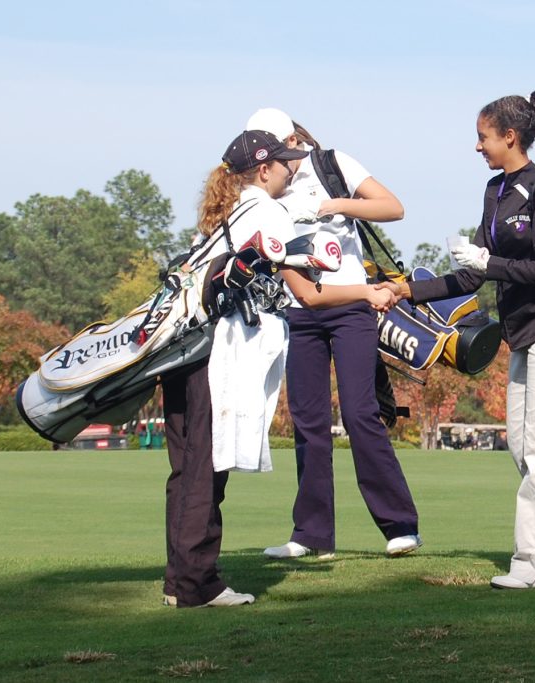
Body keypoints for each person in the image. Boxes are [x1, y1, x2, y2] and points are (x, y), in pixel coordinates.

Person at [379, 91, 535, 590]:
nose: (478, 147)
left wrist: (490, 263)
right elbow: (470, 278)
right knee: (523, 447)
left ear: (509, 137)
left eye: (483, 137)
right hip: (522, 336)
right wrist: (405, 291)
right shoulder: (496, 193)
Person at [162, 129, 396, 609]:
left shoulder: (222, 212)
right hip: (214, 354)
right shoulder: (267, 213)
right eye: (285, 163)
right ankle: (197, 585)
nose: (293, 169)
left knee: (186, 470)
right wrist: (366, 291)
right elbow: (308, 293)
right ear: (264, 169)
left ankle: (179, 581)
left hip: (178, 349)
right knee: (206, 470)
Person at [245, 108, 423, 560]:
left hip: (351, 306)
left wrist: (334, 205)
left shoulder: (331, 164)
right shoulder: (267, 186)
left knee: (361, 413)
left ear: (290, 140)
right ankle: (311, 535)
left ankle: (400, 525)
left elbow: (392, 207)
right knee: (308, 420)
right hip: (301, 309)